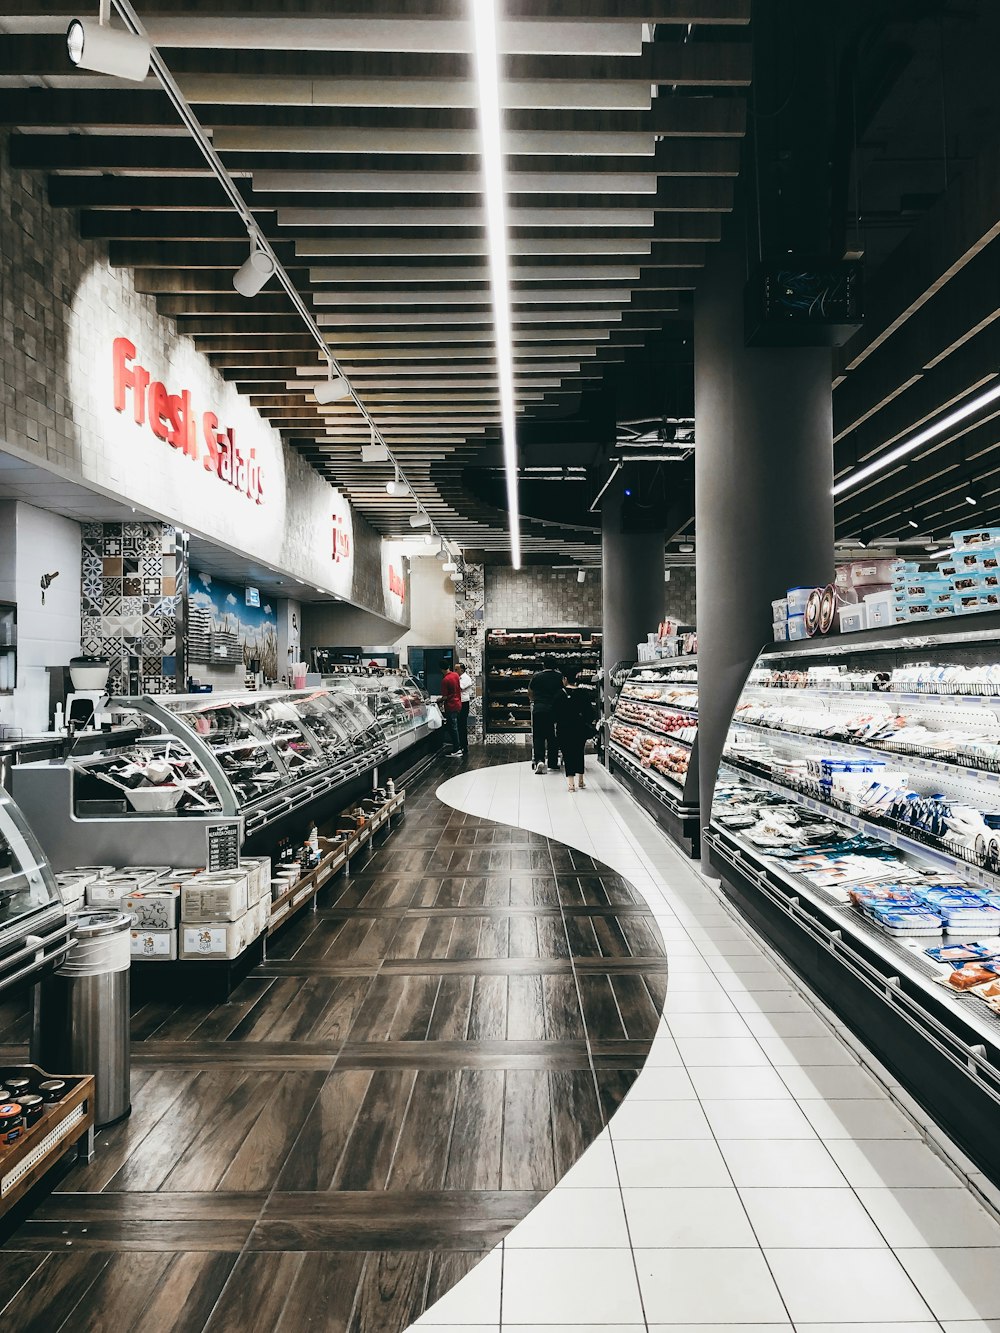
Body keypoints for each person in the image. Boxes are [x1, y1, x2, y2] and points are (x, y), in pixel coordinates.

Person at [556, 666, 596, 792]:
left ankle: (571, 784)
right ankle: (581, 780)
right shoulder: (583, 693)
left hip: (564, 729)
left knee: (568, 754)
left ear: (565, 679)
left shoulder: (559, 695)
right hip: (580, 728)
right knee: (579, 752)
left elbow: (554, 714)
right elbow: (590, 713)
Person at [528, 656, 563, 774]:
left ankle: (539, 760)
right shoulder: (560, 677)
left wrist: (534, 701)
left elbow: (530, 691)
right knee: (552, 737)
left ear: (543, 665)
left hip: (539, 709)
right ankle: (552, 763)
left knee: (538, 736)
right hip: (554, 710)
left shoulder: (536, 676)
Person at [440, 664, 464, 758]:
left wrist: (438, 700)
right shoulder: (455, 675)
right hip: (458, 704)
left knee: (453, 728)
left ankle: (457, 749)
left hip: (451, 706)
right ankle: (458, 747)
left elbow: (445, 696)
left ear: (441, 669)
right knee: (455, 727)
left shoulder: (445, 680)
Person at [457, 660, 474, 757]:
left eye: (456, 669)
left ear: (462, 670)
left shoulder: (466, 678)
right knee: (459, 724)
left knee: (462, 724)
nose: (455, 671)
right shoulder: (458, 677)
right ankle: (461, 745)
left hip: (464, 703)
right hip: (459, 702)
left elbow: (459, 688)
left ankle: (464, 746)